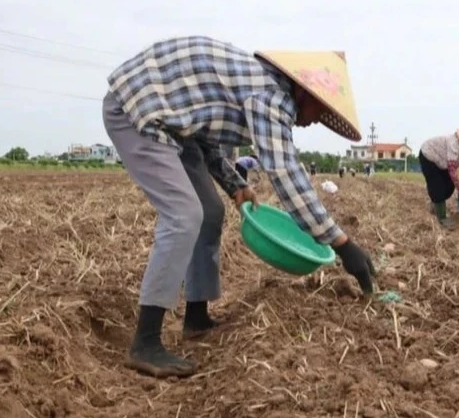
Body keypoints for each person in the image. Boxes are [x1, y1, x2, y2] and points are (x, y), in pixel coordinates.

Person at [101, 36, 376, 379]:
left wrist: (235, 185)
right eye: (320, 110)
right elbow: (286, 173)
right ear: (304, 93)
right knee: (184, 216)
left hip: (174, 127)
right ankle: (145, 343)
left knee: (210, 213)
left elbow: (201, 133)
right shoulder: (270, 98)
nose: (314, 120)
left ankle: (196, 317)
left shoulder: (257, 87)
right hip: (135, 110)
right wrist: (341, 243)